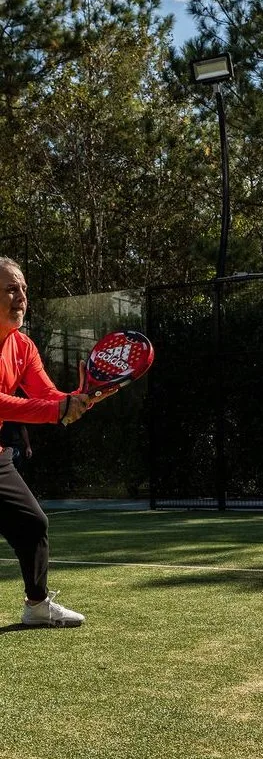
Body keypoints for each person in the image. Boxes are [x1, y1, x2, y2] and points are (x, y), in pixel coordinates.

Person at [0, 257, 114, 627]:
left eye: (24, 290)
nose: (21, 297)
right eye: (11, 289)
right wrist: (59, 409)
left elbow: (47, 397)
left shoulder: (23, 346)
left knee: (32, 523)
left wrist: (79, 399)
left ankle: (37, 606)